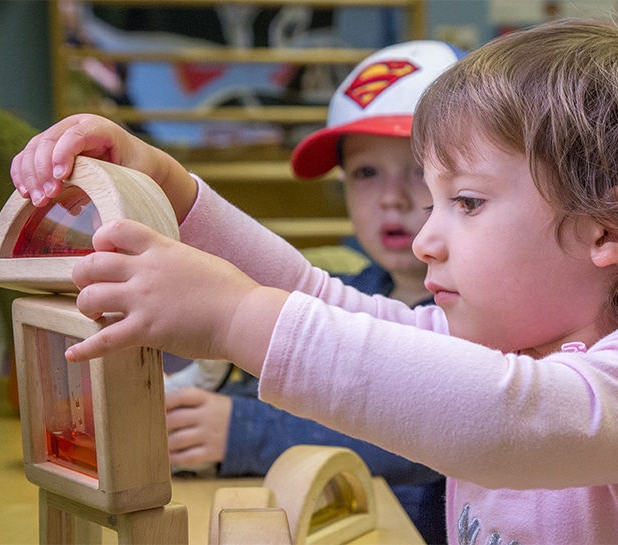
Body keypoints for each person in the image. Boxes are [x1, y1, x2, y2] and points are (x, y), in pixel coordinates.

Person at [11, 17, 618, 543]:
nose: (425, 237)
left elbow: (508, 421)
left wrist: (232, 318)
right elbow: (326, 301)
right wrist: (176, 191)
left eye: (467, 202)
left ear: (609, 229)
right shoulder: (519, 341)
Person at [162, 40, 462, 544]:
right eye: (366, 173)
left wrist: (242, 430)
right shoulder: (352, 292)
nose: (392, 197)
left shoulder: (488, 319)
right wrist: (203, 412)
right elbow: (282, 372)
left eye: (419, 169)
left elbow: (422, 433)